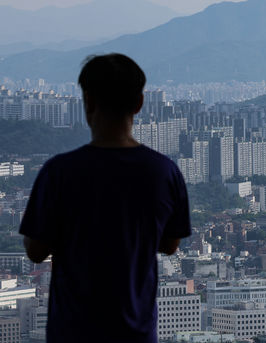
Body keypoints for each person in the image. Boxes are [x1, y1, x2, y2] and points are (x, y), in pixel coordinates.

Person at [19, 53, 191, 343]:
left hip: (72, 331)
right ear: (139, 103)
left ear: (87, 101)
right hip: (135, 332)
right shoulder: (164, 172)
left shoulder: (59, 172)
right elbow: (171, 244)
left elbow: (36, 250)